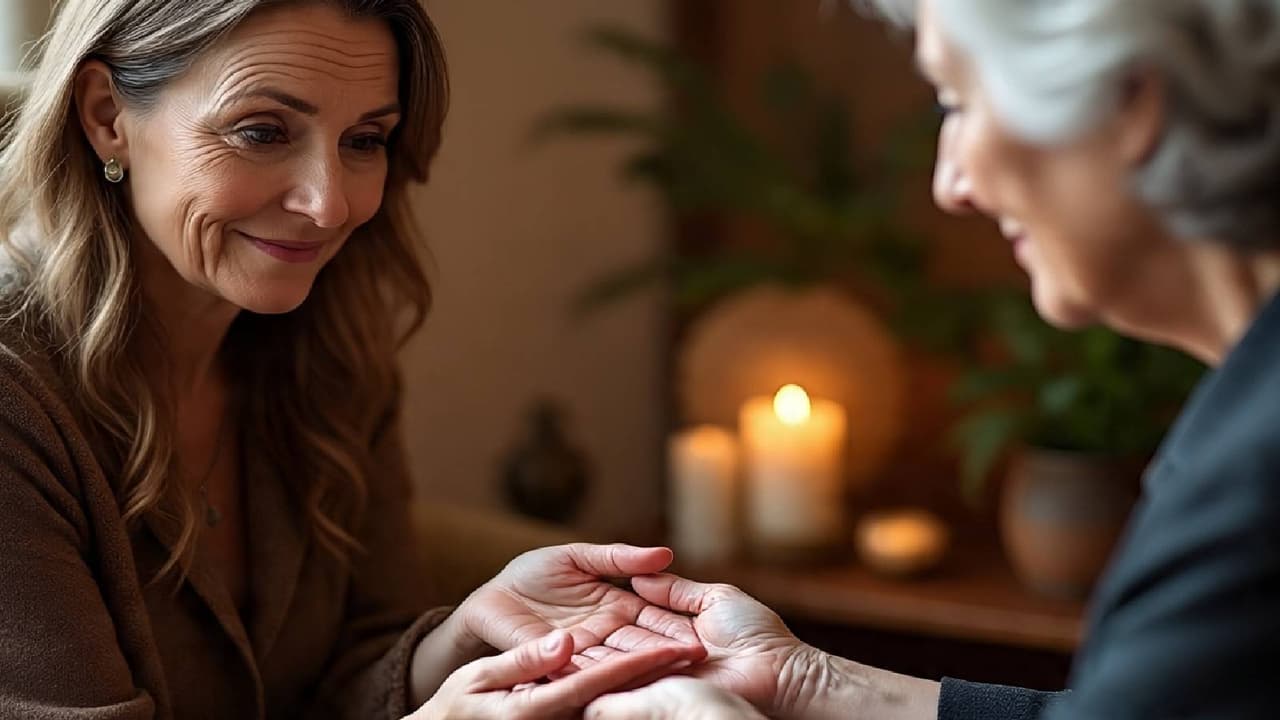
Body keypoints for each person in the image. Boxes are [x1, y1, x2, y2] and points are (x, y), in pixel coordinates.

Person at [0, 1, 703, 717]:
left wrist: (470, 633)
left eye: (365, 140)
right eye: (262, 131)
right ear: (106, 117)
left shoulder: (330, 352)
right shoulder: (13, 399)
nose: (329, 205)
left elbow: (358, 663)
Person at [583, 0, 1280, 718]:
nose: (951, 185)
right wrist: (801, 681)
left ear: (1133, 99)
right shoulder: (1248, 409)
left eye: (959, 102)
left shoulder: (1255, 491)